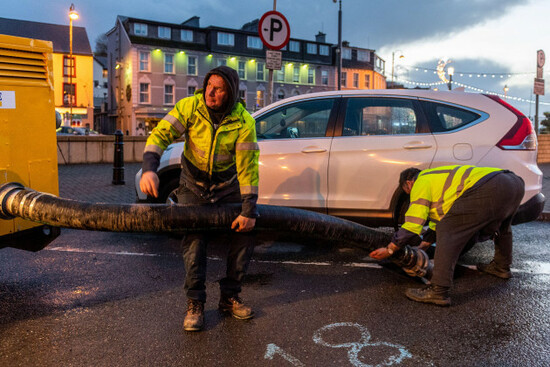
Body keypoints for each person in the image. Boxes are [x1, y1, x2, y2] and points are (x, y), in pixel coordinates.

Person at [140, 66, 260, 331]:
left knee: (245, 233)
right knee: (194, 240)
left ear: (230, 94)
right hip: (192, 186)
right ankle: (195, 302)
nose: (210, 93)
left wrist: (249, 210)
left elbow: (248, 168)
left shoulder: (243, 122)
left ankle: (229, 297)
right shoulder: (189, 107)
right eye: (209, 86)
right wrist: (149, 168)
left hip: (226, 188)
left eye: (218, 89)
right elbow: (160, 134)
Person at [369, 165, 524, 306]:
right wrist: (423, 246)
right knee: (503, 227)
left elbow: (413, 224)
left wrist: (390, 249)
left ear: (409, 183)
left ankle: (438, 291)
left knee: (448, 231)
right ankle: (501, 267)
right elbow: (440, 220)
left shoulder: (421, 182)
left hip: (490, 186)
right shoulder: (437, 180)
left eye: (408, 193)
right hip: (513, 183)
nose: (410, 197)